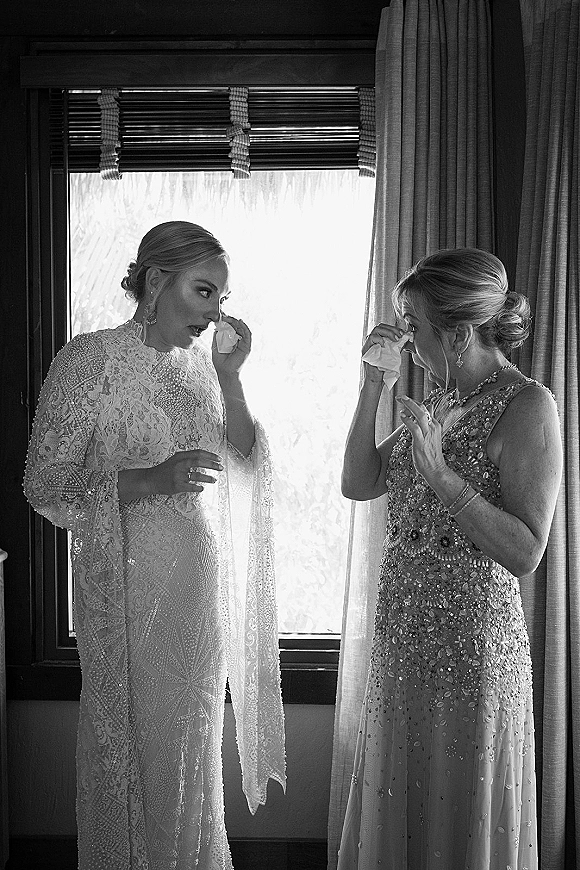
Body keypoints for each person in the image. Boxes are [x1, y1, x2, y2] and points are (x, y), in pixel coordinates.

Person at [23, 221, 286, 870]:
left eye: (221, 297)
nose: (214, 311)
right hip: (128, 583)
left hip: (195, 585)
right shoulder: (90, 359)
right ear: (156, 280)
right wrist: (149, 480)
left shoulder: (203, 373)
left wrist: (230, 375)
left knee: (189, 749)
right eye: (204, 291)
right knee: (137, 745)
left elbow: (248, 459)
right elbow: (43, 483)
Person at [338, 248, 562, 870]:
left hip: (473, 647)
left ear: (458, 333)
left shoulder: (528, 406)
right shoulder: (435, 402)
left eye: (412, 325)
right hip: (404, 638)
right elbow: (359, 481)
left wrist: (442, 480)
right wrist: (372, 385)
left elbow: (526, 551)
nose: (405, 340)